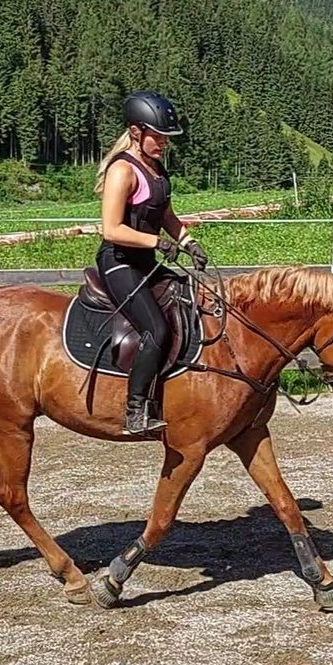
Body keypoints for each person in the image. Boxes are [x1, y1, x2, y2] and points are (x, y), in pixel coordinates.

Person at [94, 91, 209, 436]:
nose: (164, 143)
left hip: (144, 260)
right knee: (155, 329)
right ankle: (135, 410)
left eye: (166, 137)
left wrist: (189, 242)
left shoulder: (156, 169)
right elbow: (112, 229)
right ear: (135, 132)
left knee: (190, 302)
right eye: (158, 136)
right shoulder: (123, 172)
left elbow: (167, 216)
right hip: (119, 262)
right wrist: (156, 242)